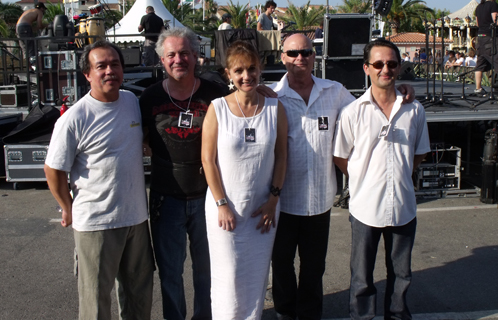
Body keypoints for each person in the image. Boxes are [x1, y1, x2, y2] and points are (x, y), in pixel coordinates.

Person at [268, 33, 416, 320]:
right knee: (282, 266)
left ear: (314, 56)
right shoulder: (272, 96)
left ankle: (310, 315)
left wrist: (401, 91)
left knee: (314, 268)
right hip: (283, 201)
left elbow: (370, 104)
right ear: (282, 57)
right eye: (294, 53)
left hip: (320, 201)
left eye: (307, 53)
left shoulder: (334, 92)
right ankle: (285, 314)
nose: (301, 58)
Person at [44, 40, 154, 319]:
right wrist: (67, 208)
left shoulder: (131, 101)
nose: (109, 71)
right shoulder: (74, 118)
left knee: (138, 295)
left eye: (114, 64)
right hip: (96, 223)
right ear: (87, 74)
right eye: (101, 66)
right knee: (95, 301)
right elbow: (53, 169)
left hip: (136, 220)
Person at [333, 38, 430, 320]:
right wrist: (365, 179)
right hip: (365, 208)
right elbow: (341, 156)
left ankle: (397, 316)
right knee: (362, 278)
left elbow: (419, 154)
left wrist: (397, 176)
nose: (384, 69)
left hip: (403, 207)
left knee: (401, 274)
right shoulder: (352, 112)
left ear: (399, 68)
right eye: (378, 64)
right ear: (366, 68)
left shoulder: (415, 111)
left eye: (391, 63)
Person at [139, 27, 229, 320]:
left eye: (185, 53)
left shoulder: (216, 94)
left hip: (207, 198)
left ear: (196, 57)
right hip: (167, 199)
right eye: (172, 54)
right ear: (162, 60)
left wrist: (265, 91)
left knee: (207, 272)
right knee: (170, 274)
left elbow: (245, 108)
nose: (179, 59)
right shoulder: (149, 98)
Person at [201, 41, 288, 319]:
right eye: (239, 70)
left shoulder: (276, 108)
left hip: (262, 211)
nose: (246, 75)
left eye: (252, 68)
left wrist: (273, 199)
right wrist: (221, 203)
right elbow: (208, 160)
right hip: (225, 209)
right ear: (228, 73)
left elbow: (282, 156)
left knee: (256, 275)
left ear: (260, 69)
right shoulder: (218, 108)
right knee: (228, 277)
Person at [475, 0, 498, 94]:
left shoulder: (479, 7)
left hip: (480, 38)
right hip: (490, 37)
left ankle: (478, 88)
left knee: (480, 64)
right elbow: (495, 21)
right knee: (497, 61)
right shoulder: (493, 4)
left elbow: (477, 24)